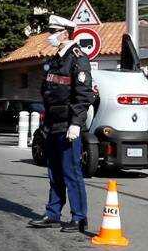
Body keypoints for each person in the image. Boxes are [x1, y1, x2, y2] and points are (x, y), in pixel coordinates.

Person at [29, 15, 98, 233]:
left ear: (65, 33)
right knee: (54, 172)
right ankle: (53, 213)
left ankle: (79, 217)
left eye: (53, 32)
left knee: (71, 172)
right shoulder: (56, 59)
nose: (49, 35)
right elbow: (48, 91)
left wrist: (76, 123)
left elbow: (83, 94)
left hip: (68, 125)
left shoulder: (78, 59)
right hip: (52, 124)